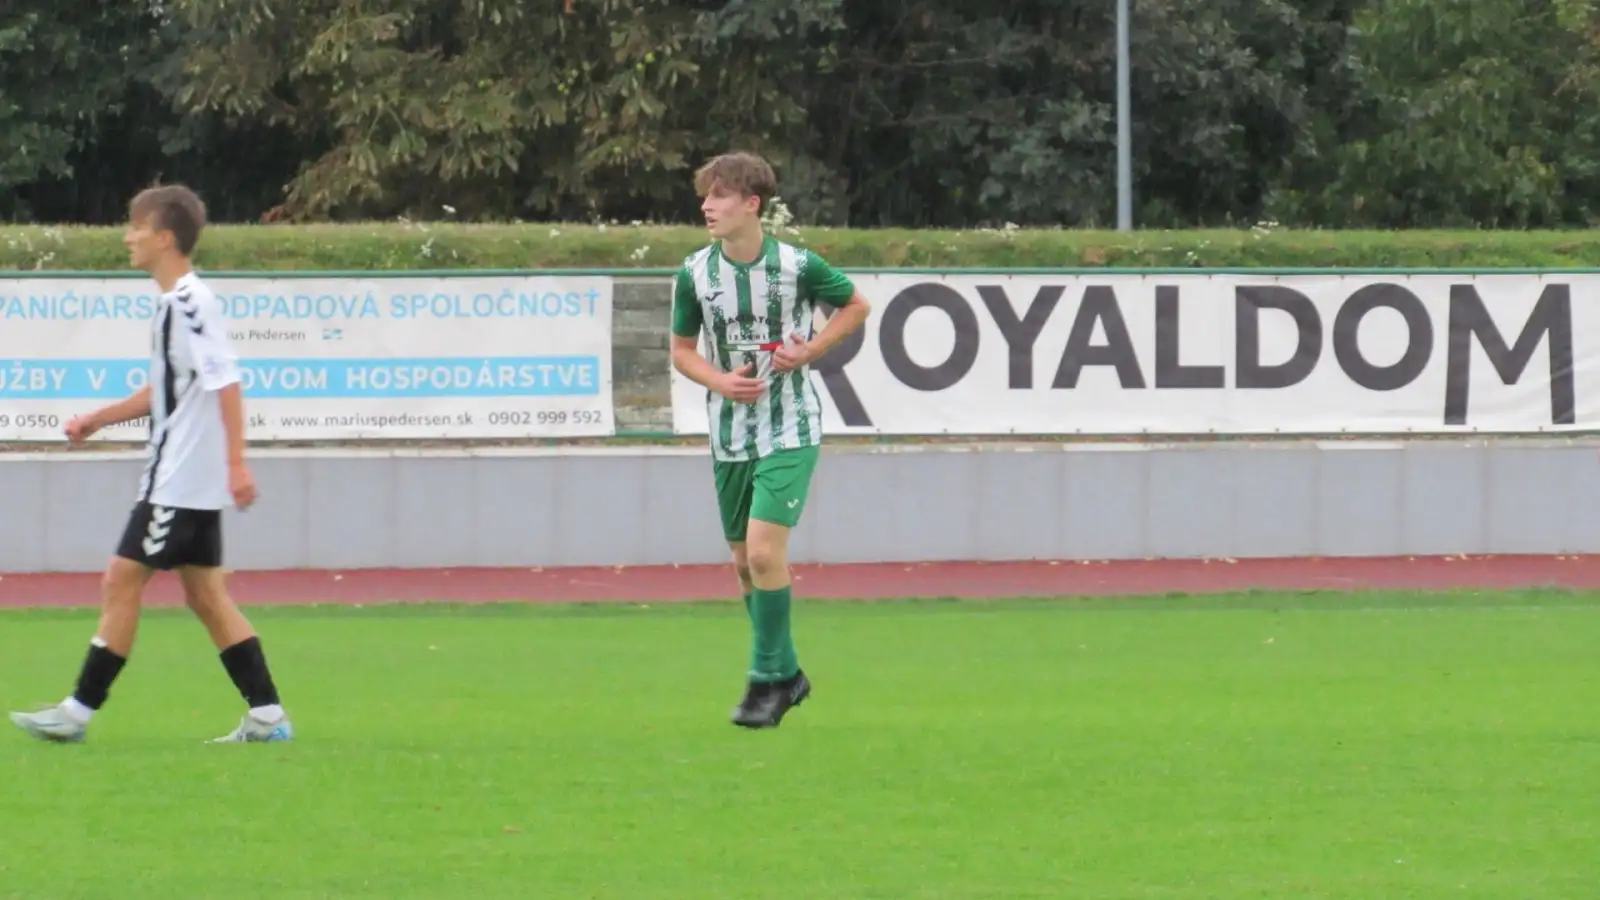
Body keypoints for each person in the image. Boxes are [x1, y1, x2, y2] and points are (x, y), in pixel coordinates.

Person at [10, 184, 294, 745]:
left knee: (120, 578)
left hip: (180, 482)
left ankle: (77, 712)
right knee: (206, 597)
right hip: (191, 481)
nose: (127, 237)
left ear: (164, 238)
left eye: (136, 227)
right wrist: (98, 419)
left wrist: (236, 464)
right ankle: (267, 716)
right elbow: (168, 390)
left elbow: (227, 381)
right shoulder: (176, 304)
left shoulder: (189, 303)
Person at [669, 152, 872, 729]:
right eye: (705, 196)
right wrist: (719, 380)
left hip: (790, 425)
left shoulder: (797, 266)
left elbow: (856, 305)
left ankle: (765, 681)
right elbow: (682, 351)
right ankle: (788, 674)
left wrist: (809, 349)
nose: (707, 206)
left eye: (720, 195)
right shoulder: (694, 274)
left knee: (762, 553)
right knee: (741, 563)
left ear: (751, 204)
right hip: (729, 432)